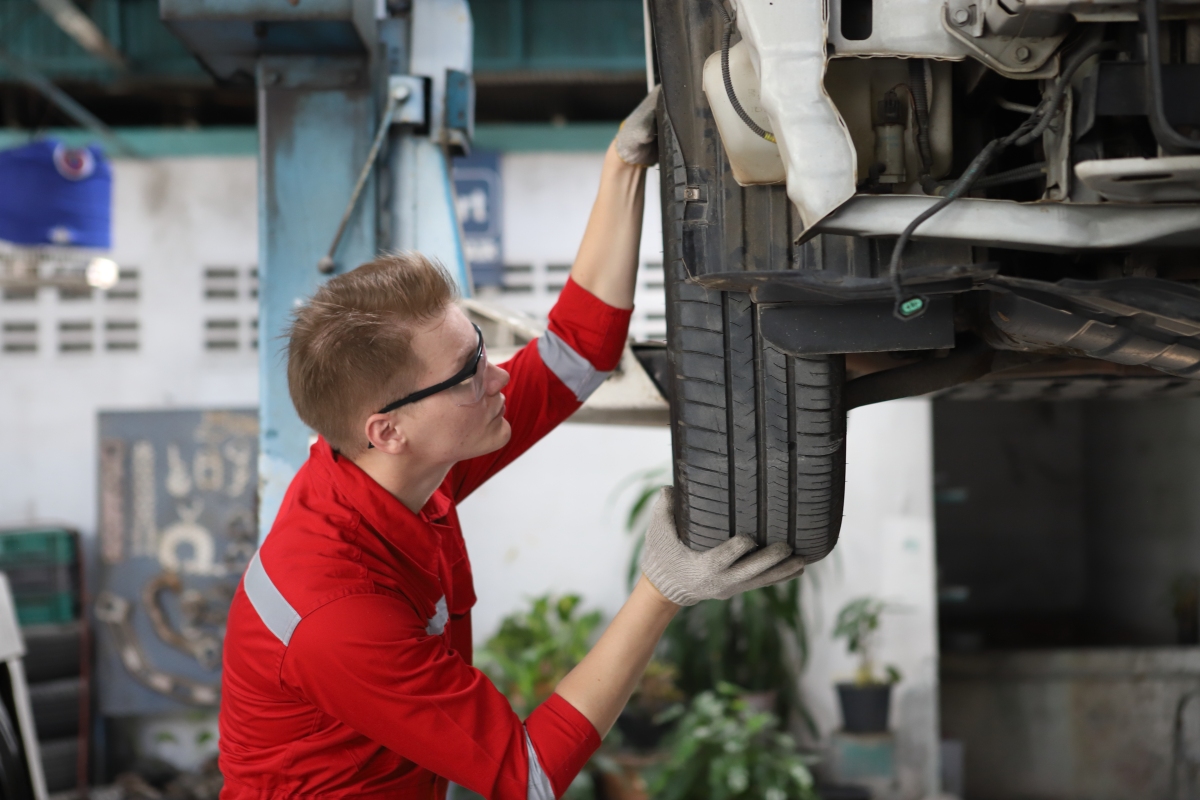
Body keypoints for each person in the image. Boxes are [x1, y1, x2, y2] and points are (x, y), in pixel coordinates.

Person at [217, 91, 805, 800]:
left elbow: (575, 354)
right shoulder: (335, 614)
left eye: (482, 350)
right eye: (468, 373)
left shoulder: (404, 473)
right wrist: (661, 592)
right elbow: (524, 775)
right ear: (388, 429)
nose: (498, 376)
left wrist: (622, 166)